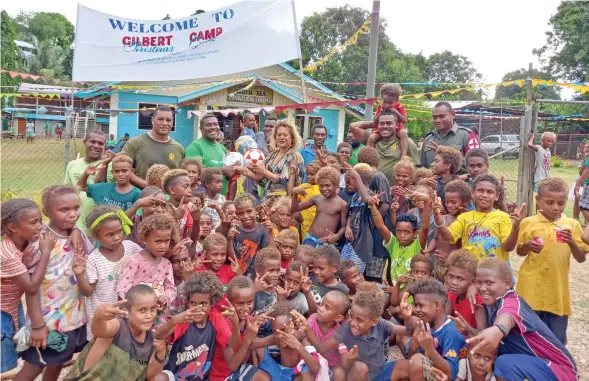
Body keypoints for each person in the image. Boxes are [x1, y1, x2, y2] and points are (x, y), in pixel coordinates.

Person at [15, 185, 94, 381]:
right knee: (34, 368)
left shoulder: (78, 234)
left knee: (58, 362)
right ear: (47, 212)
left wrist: (76, 230)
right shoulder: (41, 243)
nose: (72, 214)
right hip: (47, 322)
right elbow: (31, 289)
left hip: (73, 317)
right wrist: (37, 325)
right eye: (64, 210)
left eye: (76, 208)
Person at [466, 258, 578, 381]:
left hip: (560, 371)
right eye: (478, 282)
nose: (482, 288)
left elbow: (507, 317)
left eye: (489, 283)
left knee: (504, 364)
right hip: (536, 365)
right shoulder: (493, 304)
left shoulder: (512, 302)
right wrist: (471, 330)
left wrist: (498, 329)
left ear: (507, 283)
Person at [515, 177, 588, 345]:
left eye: (561, 203)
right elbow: (519, 251)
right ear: (538, 200)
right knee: (529, 337)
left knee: (557, 340)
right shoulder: (528, 223)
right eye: (549, 202)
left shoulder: (571, 225)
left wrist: (571, 241)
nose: (555, 207)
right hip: (530, 290)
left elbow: (581, 258)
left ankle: (556, 369)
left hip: (557, 293)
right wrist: (527, 245)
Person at [298, 287, 412, 381]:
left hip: (381, 370)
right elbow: (321, 347)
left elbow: (409, 331)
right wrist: (307, 329)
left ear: (374, 321)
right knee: (359, 367)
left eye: (360, 320)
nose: (353, 323)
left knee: (414, 365)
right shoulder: (345, 330)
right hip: (362, 376)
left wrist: (407, 318)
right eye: (351, 316)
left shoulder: (381, 324)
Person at [153, 271, 243, 381]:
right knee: (160, 378)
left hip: (201, 378)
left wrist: (235, 324)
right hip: (175, 376)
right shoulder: (184, 319)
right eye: (193, 303)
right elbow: (158, 335)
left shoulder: (216, 320)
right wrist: (174, 321)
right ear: (188, 303)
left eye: (203, 304)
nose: (197, 308)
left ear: (212, 303)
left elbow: (233, 343)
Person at [64, 286, 167, 381]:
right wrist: (98, 316)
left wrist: (161, 353)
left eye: (153, 309)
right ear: (127, 312)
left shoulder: (151, 339)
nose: (149, 315)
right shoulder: (118, 326)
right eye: (142, 310)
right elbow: (98, 330)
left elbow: (150, 376)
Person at [0, 200, 55, 375]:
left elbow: (58, 227)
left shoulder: (25, 243)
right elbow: (31, 288)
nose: (40, 226)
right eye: (34, 222)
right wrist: (46, 252)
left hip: (11, 309)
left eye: (40, 220)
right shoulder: (7, 253)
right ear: (13, 227)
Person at [78, 205, 142, 340]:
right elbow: (88, 292)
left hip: (127, 315)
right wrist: (79, 274)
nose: (117, 237)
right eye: (110, 235)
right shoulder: (94, 260)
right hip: (103, 318)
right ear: (96, 236)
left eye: (119, 231)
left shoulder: (132, 248)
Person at [435, 174, 522, 261]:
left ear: (497, 196)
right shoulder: (464, 217)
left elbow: (508, 248)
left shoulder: (503, 218)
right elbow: (448, 237)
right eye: (480, 190)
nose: (484, 195)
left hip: (493, 270)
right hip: (469, 269)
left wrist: (515, 228)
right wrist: (438, 218)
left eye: (490, 192)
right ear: (473, 193)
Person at [116, 214, 177, 326]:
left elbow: (171, 287)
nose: (163, 246)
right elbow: (122, 289)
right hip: (137, 317)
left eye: (167, 241)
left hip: (159, 317)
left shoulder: (166, 264)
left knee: (156, 341)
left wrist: (166, 297)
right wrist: (141, 304)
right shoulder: (135, 261)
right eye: (158, 241)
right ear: (145, 239)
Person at [405, 279, 467, 381]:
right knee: (398, 367)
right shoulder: (425, 325)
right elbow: (410, 358)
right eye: (416, 305)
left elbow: (451, 374)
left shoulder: (451, 331)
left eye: (421, 305)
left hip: (445, 377)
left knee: (415, 362)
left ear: (437, 305)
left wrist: (430, 349)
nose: (417, 310)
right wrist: (413, 347)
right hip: (430, 372)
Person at [254, 302, 322, 381]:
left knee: (306, 373)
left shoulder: (301, 339)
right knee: (258, 349)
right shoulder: (276, 338)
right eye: (275, 331)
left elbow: (316, 368)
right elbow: (250, 344)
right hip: (278, 370)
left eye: (284, 329)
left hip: (294, 374)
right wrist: (255, 326)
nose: (279, 335)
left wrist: (297, 346)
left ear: (294, 325)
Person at [350, 110, 420, 185]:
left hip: (396, 191)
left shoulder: (406, 142)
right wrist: (374, 123)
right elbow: (353, 126)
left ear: (396, 125)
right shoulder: (372, 139)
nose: (385, 126)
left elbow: (417, 170)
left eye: (389, 123)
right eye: (382, 123)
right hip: (374, 191)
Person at [237, 120, 305, 197]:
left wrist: (264, 172)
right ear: (275, 137)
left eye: (285, 135)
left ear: (292, 138)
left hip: (284, 203)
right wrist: (246, 171)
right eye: (279, 135)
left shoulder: (295, 156)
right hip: (267, 200)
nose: (281, 137)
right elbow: (261, 176)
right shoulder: (271, 155)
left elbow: (285, 181)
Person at [121, 106, 185, 186]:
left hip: (169, 197)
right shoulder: (135, 143)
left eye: (168, 120)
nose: (165, 123)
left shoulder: (179, 148)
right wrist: (147, 186)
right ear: (152, 120)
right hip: (140, 195)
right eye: (160, 119)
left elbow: (181, 176)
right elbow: (122, 170)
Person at [292, 167, 348, 247]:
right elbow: (295, 209)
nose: (324, 189)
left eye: (328, 185)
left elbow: (344, 226)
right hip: (310, 238)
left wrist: (337, 236)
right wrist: (295, 194)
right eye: (321, 186)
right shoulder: (316, 198)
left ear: (336, 185)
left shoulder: (342, 204)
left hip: (327, 241)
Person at [64, 130, 107, 232]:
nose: (96, 146)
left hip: (98, 222)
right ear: (84, 142)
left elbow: (101, 188)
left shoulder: (108, 165)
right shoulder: (72, 164)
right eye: (92, 142)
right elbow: (67, 191)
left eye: (100, 143)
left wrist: (105, 164)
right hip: (75, 221)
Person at [420, 102, 480, 170]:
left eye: (442, 116)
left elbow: (477, 165)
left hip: (459, 179)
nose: (437, 120)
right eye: (434, 117)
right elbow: (423, 167)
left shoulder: (466, 135)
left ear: (453, 114)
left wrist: (446, 155)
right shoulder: (428, 139)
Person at [186, 113, 235, 195]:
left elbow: (228, 174)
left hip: (220, 199)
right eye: (208, 125)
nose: (213, 127)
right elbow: (196, 173)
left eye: (216, 124)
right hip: (203, 199)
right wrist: (222, 170)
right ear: (201, 129)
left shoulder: (222, 148)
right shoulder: (195, 147)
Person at [433, 180, 472, 282]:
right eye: (447, 202)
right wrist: (428, 251)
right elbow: (436, 238)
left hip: (455, 266)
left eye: (454, 202)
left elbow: (465, 246)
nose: (449, 205)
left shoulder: (467, 221)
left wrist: (451, 259)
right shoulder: (443, 218)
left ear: (465, 202)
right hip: (439, 264)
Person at [229, 193, 274, 276]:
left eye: (249, 211)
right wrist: (229, 239)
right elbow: (232, 257)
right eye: (241, 213)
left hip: (257, 275)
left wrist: (270, 231)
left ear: (256, 210)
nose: (245, 216)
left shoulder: (263, 230)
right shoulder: (235, 230)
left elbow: (270, 254)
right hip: (237, 275)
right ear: (237, 214)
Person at [445, 250, 487, 336]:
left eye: (460, 279)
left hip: (470, 344)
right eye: (451, 276)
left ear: (473, 281)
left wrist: (468, 329)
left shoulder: (477, 302)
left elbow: (483, 334)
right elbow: (444, 319)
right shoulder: (452, 293)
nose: (454, 282)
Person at [368, 84, 409, 160]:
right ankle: (370, 157)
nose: (389, 97)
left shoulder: (399, 106)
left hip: (397, 128)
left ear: (396, 97)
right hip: (382, 129)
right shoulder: (380, 106)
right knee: (371, 137)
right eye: (387, 94)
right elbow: (375, 121)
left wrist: (395, 111)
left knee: (403, 134)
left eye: (392, 95)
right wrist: (380, 113)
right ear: (382, 95)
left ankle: (404, 155)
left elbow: (404, 120)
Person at [252, 248, 281, 315]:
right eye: (271, 271)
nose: (276, 275)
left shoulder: (280, 290)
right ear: (258, 271)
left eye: (278, 270)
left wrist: (282, 299)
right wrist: (254, 290)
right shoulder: (253, 290)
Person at [297, 161, 321, 240]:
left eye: (312, 174)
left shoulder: (323, 188)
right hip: (305, 225)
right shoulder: (303, 187)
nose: (309, 177)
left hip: (319, 224)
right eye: (307, 174)